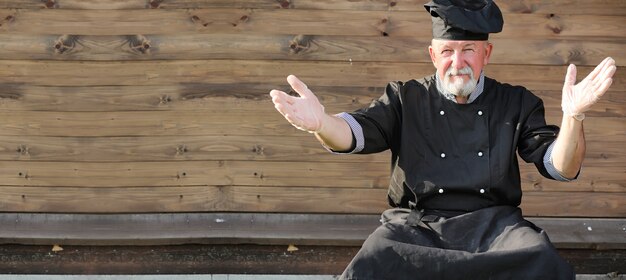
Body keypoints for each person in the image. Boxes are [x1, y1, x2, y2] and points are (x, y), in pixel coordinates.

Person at [269, 0, 616, 279]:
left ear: (487, 54)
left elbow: (561, 167)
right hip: (417, 225)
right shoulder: (405, 98)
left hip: (495, 227)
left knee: (539, 257)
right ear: (433, 55)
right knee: (376, 256)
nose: (458, 62)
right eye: (448, 51)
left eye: (468, 49)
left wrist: (574, 116)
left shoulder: (516, 102)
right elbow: (354, 133)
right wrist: (321, 123)